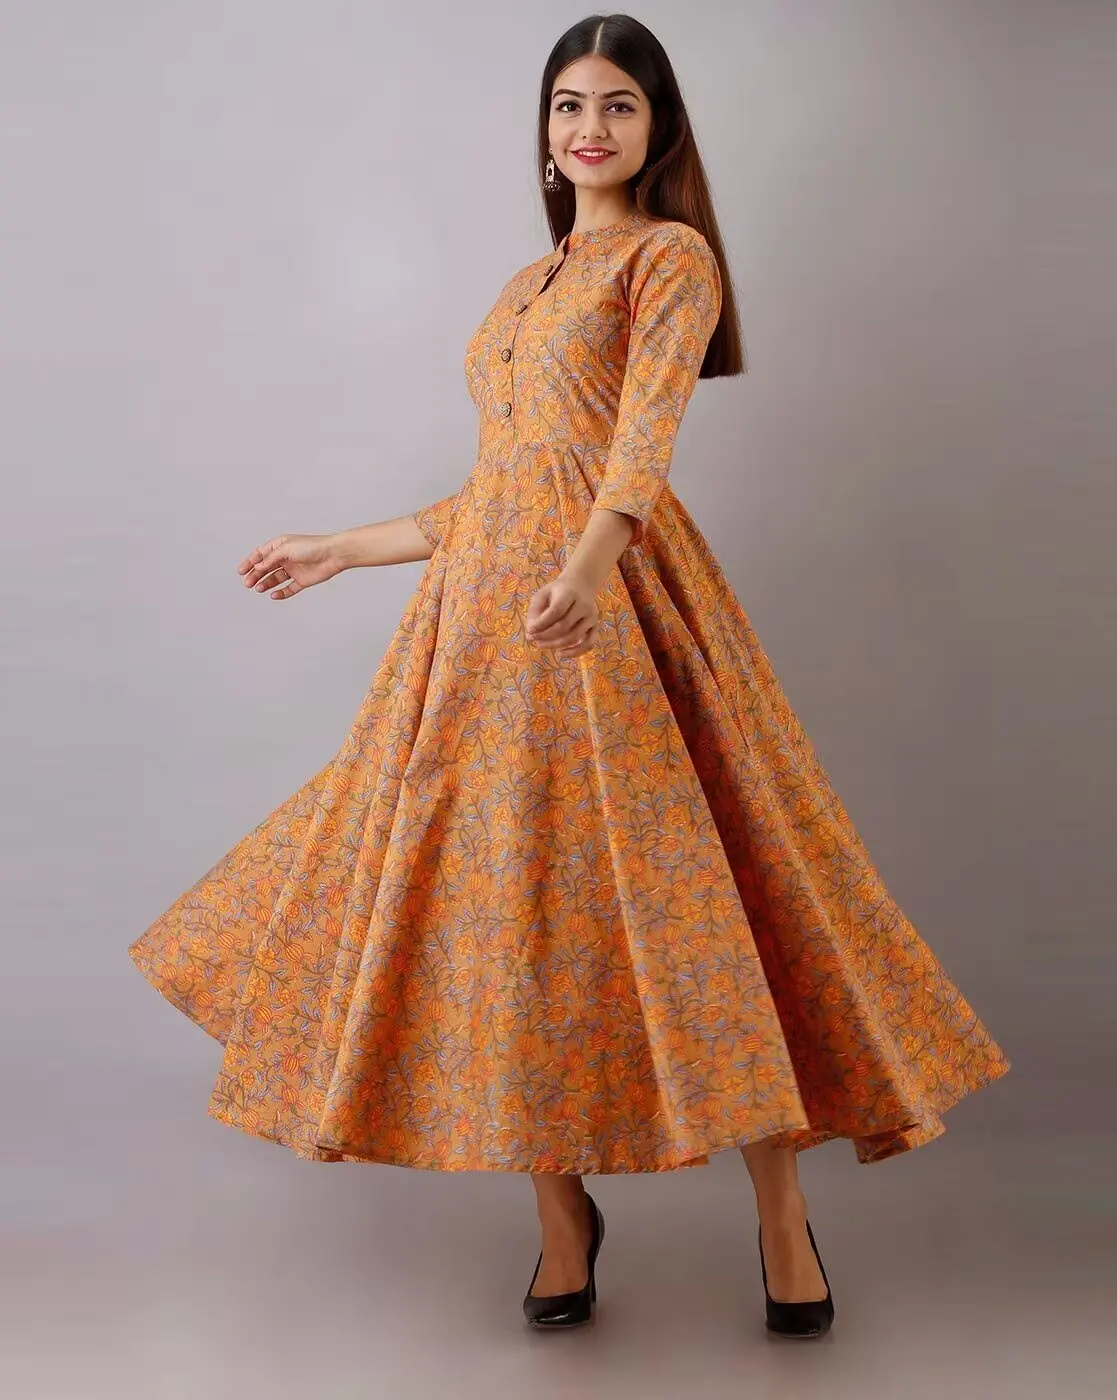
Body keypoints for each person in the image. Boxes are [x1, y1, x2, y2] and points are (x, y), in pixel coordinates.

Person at [130, 13, 1011, 1340]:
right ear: (545, 132)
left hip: (613, 613)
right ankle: (560, 1221)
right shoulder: (525, 285)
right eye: (567, 106)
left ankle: (782, 1217)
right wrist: (343, 548)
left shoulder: (669, 258)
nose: (589, 128)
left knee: (706, 908)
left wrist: (593, 567)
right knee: (504, 913)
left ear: (659, 128)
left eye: (617, 105)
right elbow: (503, 486)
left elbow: (639, 443)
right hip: (483, 628)